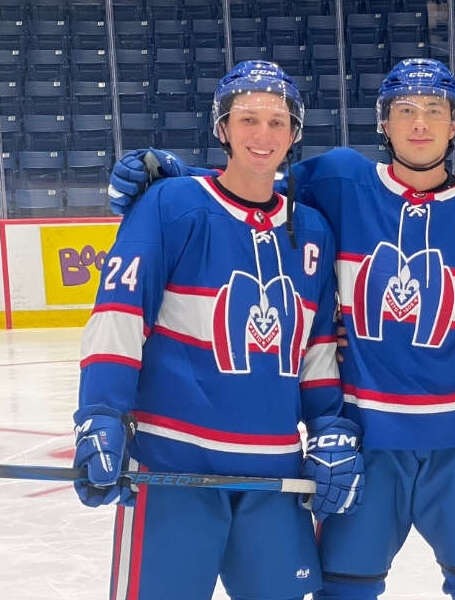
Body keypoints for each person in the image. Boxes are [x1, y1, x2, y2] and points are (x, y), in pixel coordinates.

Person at [104, 57, 455, 600]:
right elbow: (253, 181)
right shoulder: (342, 180)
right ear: (382, 122)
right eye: (405, 111)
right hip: (364, 440)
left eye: (434, 111)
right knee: (344, 589)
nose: (419, 124)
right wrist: (175, 181)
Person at [73, 60, 364, 600]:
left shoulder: (314, 231)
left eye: (278, 122)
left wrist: (328, 425)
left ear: (295, 134)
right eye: (248, 119)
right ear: (222, 128)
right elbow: (118, 314)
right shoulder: (171, 206)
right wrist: (101, 413)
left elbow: (317, 348)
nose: (264, 134)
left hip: (274, 474)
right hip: (172, 467)